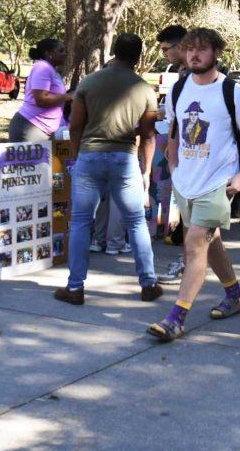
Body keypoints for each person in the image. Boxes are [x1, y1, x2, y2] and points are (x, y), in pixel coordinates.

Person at [147, 28, 240, 341]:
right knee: (211, 244)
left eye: (202, 49)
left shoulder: (232, 91)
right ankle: (234, 294)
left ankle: (177, 317)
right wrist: (172, 161)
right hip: (186, 181)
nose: (194, 55)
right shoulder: (179, 88)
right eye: (189, 49)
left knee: (194, 242)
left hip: (217, 182)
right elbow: (174, 127)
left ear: (216, 53)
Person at [54, 34, 162, 306]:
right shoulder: (144, 89)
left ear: (113, 51)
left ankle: (75, 287)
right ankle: (148, 283)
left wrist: (79, 154)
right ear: (138, 57)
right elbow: (148, 135)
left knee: (81, 222)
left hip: (90, 156)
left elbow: (75, 125)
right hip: (124, 158)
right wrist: (146, 171)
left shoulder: (90, 82)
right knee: (135, 221)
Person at [154, 25, 189, 283]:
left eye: (166, 49)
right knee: (197, 222)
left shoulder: (192, 75)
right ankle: (189, 262)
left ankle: (188, 263)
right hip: (184, 151)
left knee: (194, 220)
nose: (164, 54)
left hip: (196, 155)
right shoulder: (182, 74)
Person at [10, 39, 73, 141]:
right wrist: (69, 96)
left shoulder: (51, 69)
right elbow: (41, 99)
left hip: (44, 129)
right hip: (31, 127)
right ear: (49, 53)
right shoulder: (42, 67)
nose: (65, 54)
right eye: (61, 51)